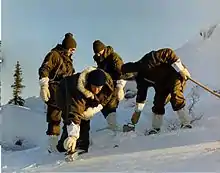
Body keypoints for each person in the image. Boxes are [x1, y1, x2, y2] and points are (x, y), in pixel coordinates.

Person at [121, 48, 192, 135]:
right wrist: (137, 112)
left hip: (174, 74)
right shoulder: (140, 80)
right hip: (161, 83)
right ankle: (156, 128)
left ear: (131, 73)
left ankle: (186, 123)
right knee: (158, 102)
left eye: (128, 77)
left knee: (175, 95)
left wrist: (181, 70)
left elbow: (168, 52)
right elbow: (141, 96)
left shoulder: (147, 61)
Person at [55, 67, 116, 154]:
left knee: (85, 118)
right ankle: (65, 146)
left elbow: (106, 98)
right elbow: (74, 113)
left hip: (86, 97)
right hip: (64, 93)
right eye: (94, 87)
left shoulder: (108, 85)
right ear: (89, 83)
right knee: (72, 118)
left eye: (99, 87)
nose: (96, 90)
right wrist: (73, 136)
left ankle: (82, 146)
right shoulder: (78, 89)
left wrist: (94, 109)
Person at [38, 33, 77, 152]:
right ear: (67, 47)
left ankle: (66, 144)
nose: (73, 52)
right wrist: (44, 85)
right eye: (72, 49)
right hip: (54, 90)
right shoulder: (54, 55)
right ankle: (52, 145)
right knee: (54, 117)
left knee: (69, 117)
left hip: (66, 91)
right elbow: (44, 69)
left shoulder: (68, 60)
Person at [92, 40, 127, 131]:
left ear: (103, 49)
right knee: (102, 104)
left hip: (115, 85)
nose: (98, 54)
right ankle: (112, 125)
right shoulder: (100, 60)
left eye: (99, 52)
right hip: (105, 86)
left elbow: (122, 72)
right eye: (96, 53)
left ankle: (115, 128)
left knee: (111, 105)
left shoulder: (114, 57)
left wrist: (120, 87)